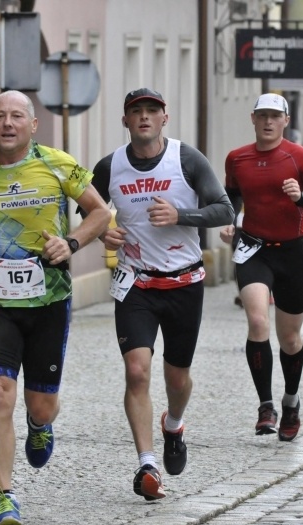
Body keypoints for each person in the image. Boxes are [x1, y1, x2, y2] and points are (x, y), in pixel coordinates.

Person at [0, 90, 111, 525]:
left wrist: (71, 242)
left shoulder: (58, 164)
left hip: (49, 301)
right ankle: (5, 496)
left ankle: (40, 425)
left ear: (33, 125)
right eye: (0, 115)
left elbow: (100, 213)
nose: (8, 123)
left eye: (17, 115)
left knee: (41, 405)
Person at [89, 88, 233, 501]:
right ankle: (147, 464)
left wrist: (181, 216)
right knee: (137, 371)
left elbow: (224, 210)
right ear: (126, 121)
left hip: (183, 283)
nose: (145, 117)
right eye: (137, 112)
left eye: (152, 110)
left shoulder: (186, 159)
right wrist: (105, 230)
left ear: (164, 118)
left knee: (178, 377)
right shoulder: (110, 166)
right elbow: (90, 210)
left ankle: (174, 425)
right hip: (134, 283)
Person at [219, 93, 303, 441]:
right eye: (262, 116)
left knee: (289, 339)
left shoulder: (301, 158)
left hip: (292, 254)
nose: (268, 122)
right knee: (257, 321)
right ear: (253, 119)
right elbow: (231, 198)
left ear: (285, 121)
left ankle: (291, 401)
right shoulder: (237, 158)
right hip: (253, 249)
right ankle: (265, 405)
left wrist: (302, 198)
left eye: (275, 116)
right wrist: (231, 221)